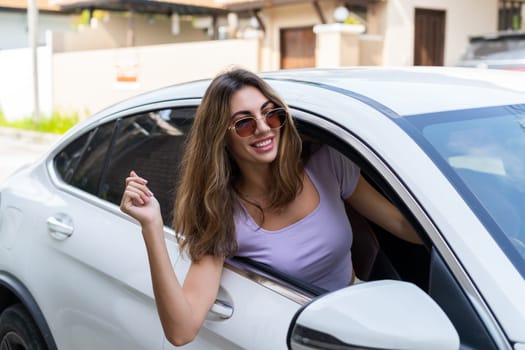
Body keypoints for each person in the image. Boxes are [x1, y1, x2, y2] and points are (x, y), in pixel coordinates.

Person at [120, 67, 421, 346]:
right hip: (299, 337)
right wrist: (152, 226)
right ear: (221, 137)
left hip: (362, 318)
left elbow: (402, 225)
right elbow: (181, 330)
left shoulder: (327, 164)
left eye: (270, 114)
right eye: (245, 123)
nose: (263, 128)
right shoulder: (222, 215)